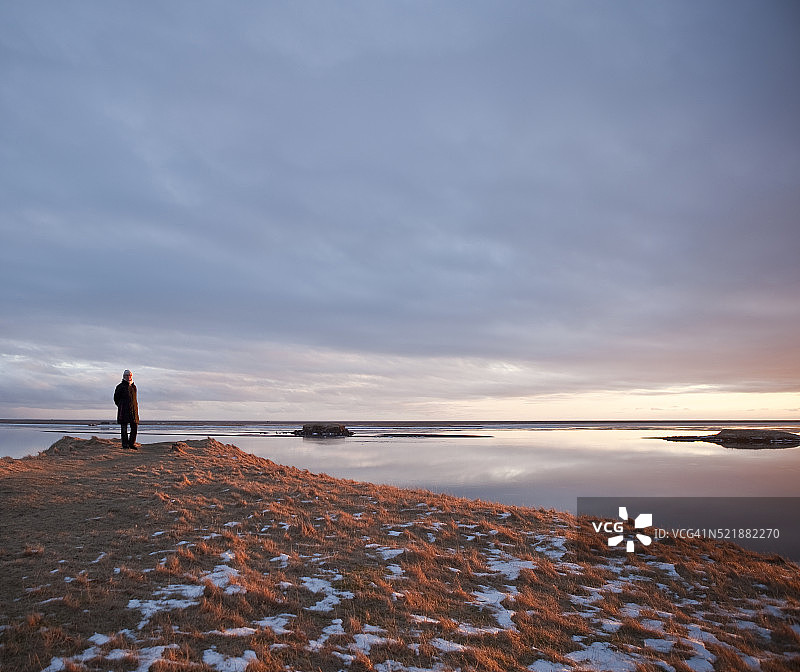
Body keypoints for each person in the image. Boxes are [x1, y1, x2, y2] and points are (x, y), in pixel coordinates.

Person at [114, 369, 139, 449]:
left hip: (133, 410)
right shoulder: (120, 387)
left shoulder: (134, 387)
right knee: (124, 428)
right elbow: (116, 399)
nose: (129, 377)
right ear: (124, 376)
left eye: (130, 375)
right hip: (123, 410)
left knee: (134, 427)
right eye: (127, 375)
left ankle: (132, 444)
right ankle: (125, 445)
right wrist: (121, 405)